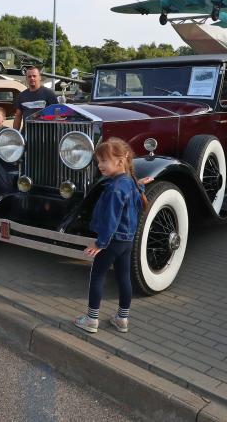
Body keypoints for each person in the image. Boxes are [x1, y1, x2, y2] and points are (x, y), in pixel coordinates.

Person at [72, 138, 149, 334]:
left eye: (104, 160)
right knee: (124, 277)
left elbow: (110, 221)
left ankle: (91, 320)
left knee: (97, 276)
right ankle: (122, 319)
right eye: (99, 161)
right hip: (127, 241)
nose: (100, 165)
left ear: (120, 161)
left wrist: (100, 243)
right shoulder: (130, 182)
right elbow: (133, 197)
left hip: (112, 241)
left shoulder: (115, 188)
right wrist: (141, 185)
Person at [12, 65, 58, 131]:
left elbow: (57, 115)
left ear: (40, 77)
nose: (32, 78)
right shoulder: (21, 96)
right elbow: (18, 117)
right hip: (26, 134)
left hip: (45, 134)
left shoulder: (49, 94)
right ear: (26, 78)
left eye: (34, 76)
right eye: (29, 76)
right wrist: (14, 133)